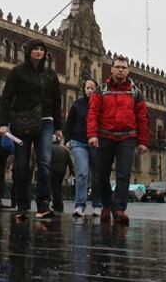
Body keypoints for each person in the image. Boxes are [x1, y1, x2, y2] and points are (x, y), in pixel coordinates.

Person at [0, 40, 63, 222]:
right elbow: (6, 98)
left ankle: (43, 204)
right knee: (21, 164)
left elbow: (56, 101)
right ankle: (22, 205)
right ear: (29, 51)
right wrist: (4, 123)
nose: (39, 52)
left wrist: (58, 126)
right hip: (22, 123)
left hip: (45, 121)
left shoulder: (50, 75)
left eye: (42, 49)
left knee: (44, 161)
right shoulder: (17, 72)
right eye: (36, 49)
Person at [87, 56, 149, 225]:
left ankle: (119, 208)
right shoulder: (101, 90)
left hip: (127, 137)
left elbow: (142, 118)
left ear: (128, 71)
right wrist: (92, 135)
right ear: (112, 69)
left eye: (124, 67)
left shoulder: (136, 92)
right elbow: (93, 113)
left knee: (123, 174)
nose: (120, 70)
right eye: (117, 67)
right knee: (101, 174)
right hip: (105, 135)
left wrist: (143, 141)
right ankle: (107, 203)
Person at [63, 79, 100, 217]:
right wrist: (67, 140)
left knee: (97, 175)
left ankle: (97, 205)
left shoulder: (100, 106)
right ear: (84, 89)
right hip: (78, 143)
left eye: (93, 88)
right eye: (88, 88)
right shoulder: (77, 105)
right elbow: (69, 123)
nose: (90, 90)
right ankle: (79, 206)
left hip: (96, 143)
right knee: (82, 173)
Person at [50, 140, 73, 213]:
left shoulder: (50, 148)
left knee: (55, 188)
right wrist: (72, 172)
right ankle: (58, 204)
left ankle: (58, 205)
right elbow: (70, 162)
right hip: (61, 171)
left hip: (53, 169)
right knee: (58, 187)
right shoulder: (65, 150)